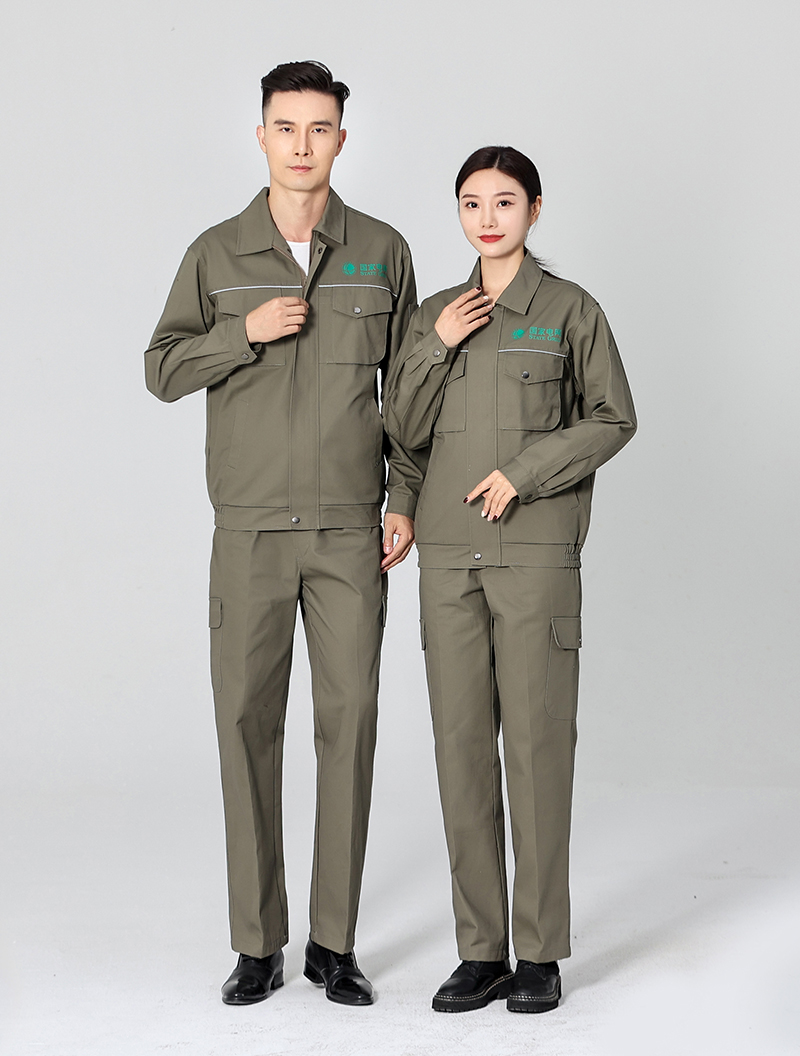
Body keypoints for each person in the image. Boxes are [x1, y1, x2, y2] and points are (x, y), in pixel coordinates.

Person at [145, 60, 418, 1008]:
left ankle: (333, 944)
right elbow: (161, 369)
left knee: (351, 725)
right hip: (250, 533)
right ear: (261, 136)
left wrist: (404, 496)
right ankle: (257, 944)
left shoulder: (382, 251)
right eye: (286, 127)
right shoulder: (217, 253)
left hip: (349, 533)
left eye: (320, 128)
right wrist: (243, 333)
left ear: (342, 138)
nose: (303, 145)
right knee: (245, 727)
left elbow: (410, 393)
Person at [384, 146, 636, 1014]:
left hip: (533, 558)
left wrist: (526, 474)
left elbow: (613, 417)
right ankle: (480, 951)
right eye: (470, 203)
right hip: (447, 559)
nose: (486, 218)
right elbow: (401, 431)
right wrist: (436, 347)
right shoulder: (433, 313)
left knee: (535, 753)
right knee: (460, 753)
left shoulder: (570, 311)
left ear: (534, 209)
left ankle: (539, 954)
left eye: (503, 201)